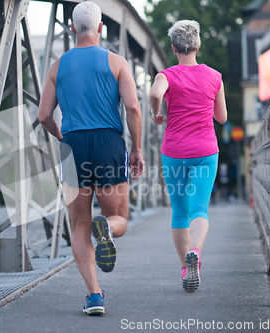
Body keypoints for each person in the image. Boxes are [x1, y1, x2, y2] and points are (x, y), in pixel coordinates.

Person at [38, 1, 145, 315]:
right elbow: (134, 109)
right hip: (108, 143)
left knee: (80, 224)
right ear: (101, 27)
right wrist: (136, 149)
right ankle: (108, 229)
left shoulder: (57, 67)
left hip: (73, 144)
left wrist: (62, 137)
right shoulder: (117, 63)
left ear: (72, 28)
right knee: (120, 217)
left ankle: (94, 295)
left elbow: (44, 115)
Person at [149, 20, 228, 292]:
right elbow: (222, 117)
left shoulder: (166, 75)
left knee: (180, 213)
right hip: (206, 151)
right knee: (200, 210)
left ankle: (185, 267)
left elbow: (154, 94)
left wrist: (156, 112)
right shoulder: (215, 77)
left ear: (173, 48)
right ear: (198, 45)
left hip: (174, 152)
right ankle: (196, 251)